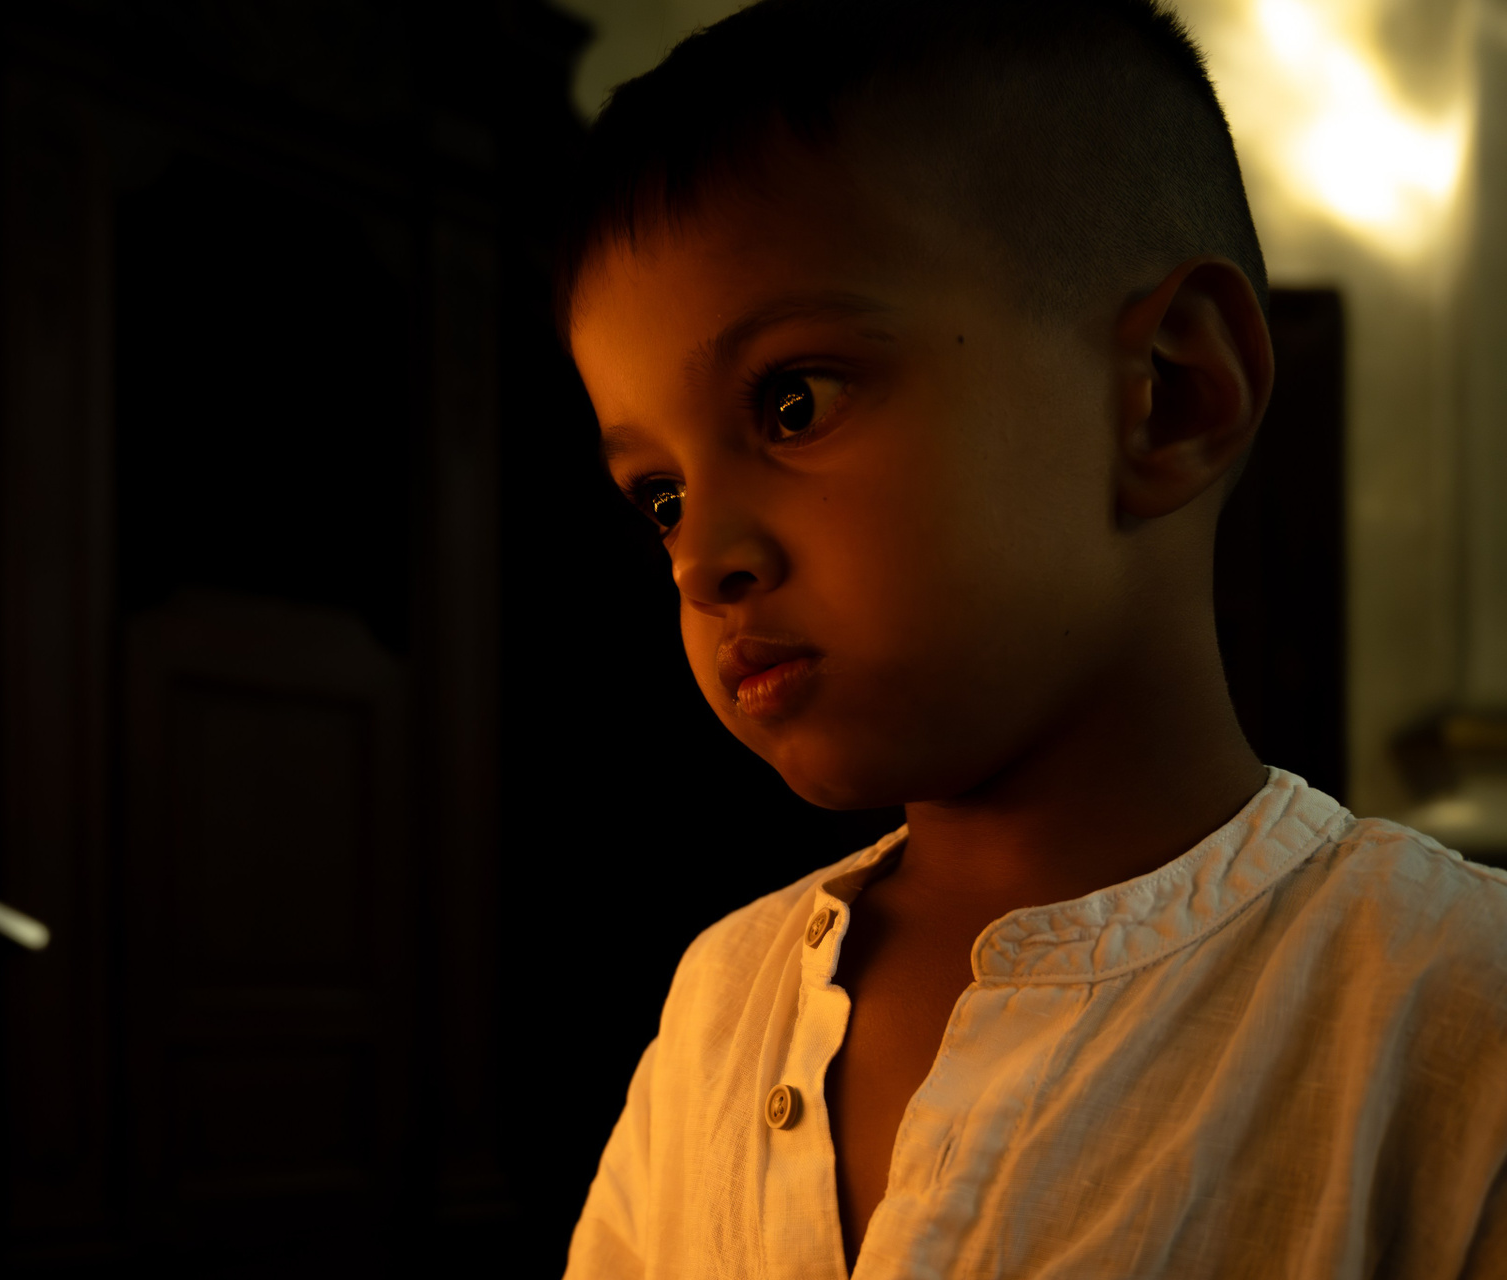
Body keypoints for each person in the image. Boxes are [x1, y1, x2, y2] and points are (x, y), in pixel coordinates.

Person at [555, 1, 1507, 1275]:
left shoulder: (1451, 1006)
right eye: (661, 493)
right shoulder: (724, 998)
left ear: (1171, 396)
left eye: (792, 402)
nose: (698, 556)